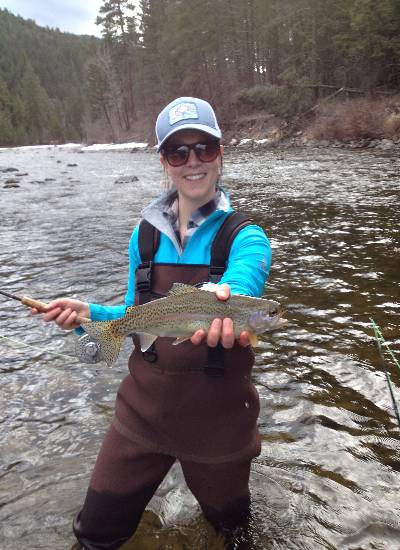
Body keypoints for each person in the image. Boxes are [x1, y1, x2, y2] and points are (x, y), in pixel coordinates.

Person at [35, 97, 272, 549]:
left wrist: (225, 299)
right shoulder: (143, 236)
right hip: (141, 415)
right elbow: (135, 317)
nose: (192, 162)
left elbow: (244, 280)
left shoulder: (246, 237)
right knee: (94, 535)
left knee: (236, 537)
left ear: (220, 153)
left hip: (218, 423)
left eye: (203, 148)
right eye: (178, 152)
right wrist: (89, 316)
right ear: (164, 160)